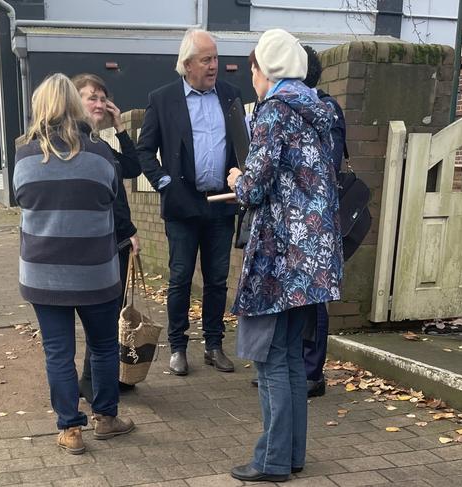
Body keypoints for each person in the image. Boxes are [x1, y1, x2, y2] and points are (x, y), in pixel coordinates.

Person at [226, 30, 343, 481]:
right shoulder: (320, 109)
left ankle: (272, 461)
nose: (251, 76)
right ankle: (291, 455)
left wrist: (238, 176)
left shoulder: (274, 111)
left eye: (252, 67)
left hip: (280, 258)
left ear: (267, 69)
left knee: (273, 360)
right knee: (292, 358)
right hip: (314, 259)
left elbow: (254, 187)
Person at [13, 73, 134, 455]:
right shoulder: (100, 155)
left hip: (43, 273)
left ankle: (69, 429)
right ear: (75, 105)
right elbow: (111, 196)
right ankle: (106, 418)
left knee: (58, 351)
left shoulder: (23, 155)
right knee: (102, 346)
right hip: (96, 272)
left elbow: (20, 198)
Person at [137, 28, 241, 376]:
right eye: (206, 59)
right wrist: (164, 183)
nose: (214, 65)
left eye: (215, 58)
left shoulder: (230, 95)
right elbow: (144, 151)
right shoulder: (162, 98)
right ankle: (178, 347)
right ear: (187, 64)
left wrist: (240, 171)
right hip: (182, 206)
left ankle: (214, 344)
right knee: (180, 278)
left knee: (217, 279)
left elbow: (242, 145)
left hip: (222, 204)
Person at [71, 73, 142, 399]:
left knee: (107, 317)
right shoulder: (80, 146)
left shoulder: (102, 145)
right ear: (74, 102)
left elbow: (134, 166)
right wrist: (128, 233)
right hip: (103, 243)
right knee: (101, 318)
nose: (99, 104)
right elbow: (108, 201)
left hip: (117, 241)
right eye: (91, 97)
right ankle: (94, 383)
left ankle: (95, 380)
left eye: (102, 98)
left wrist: (120, 127)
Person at [301, 45, 348, 398]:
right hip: (294, 222)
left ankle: (312, 372)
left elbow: (327, 167)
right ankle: (294, 367)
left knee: (315, 297)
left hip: (315, 222)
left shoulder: (325, 109)